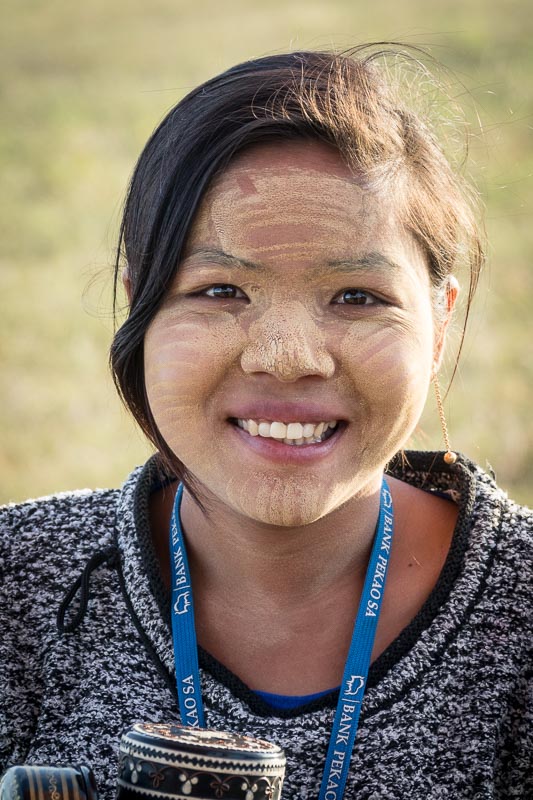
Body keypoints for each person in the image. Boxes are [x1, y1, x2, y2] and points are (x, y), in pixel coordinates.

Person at [1, 46, 531, 799]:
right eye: (220, 289)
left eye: (355, 296)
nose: (288, 359)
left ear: (438, 322)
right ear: (139, 306)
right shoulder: (18, 582)